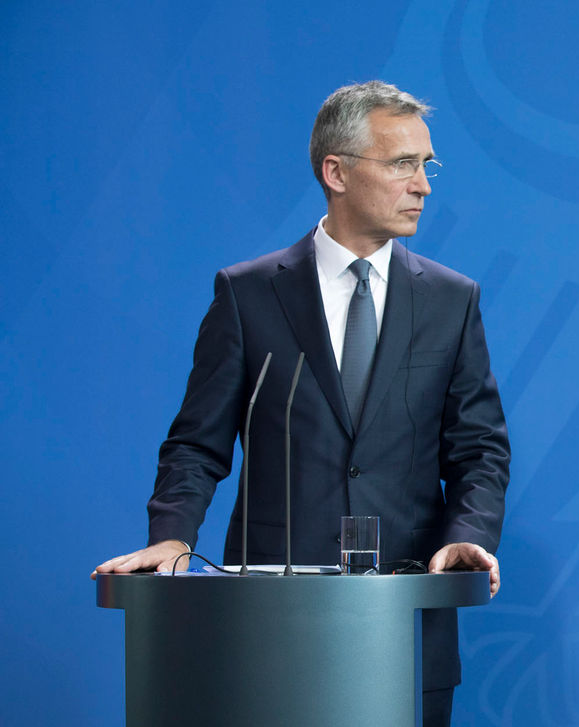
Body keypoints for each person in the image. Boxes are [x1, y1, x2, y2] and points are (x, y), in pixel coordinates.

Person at [93, 80, 510, 723]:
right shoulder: (248, 294)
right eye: (403, 164)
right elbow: (196, 444)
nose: (423, 184)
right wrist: (172, 538)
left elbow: (479, 449)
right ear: (335, 171)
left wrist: (469, 535)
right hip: (267, 624)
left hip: (401, 626)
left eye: (427, 166)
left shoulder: (452, 301)